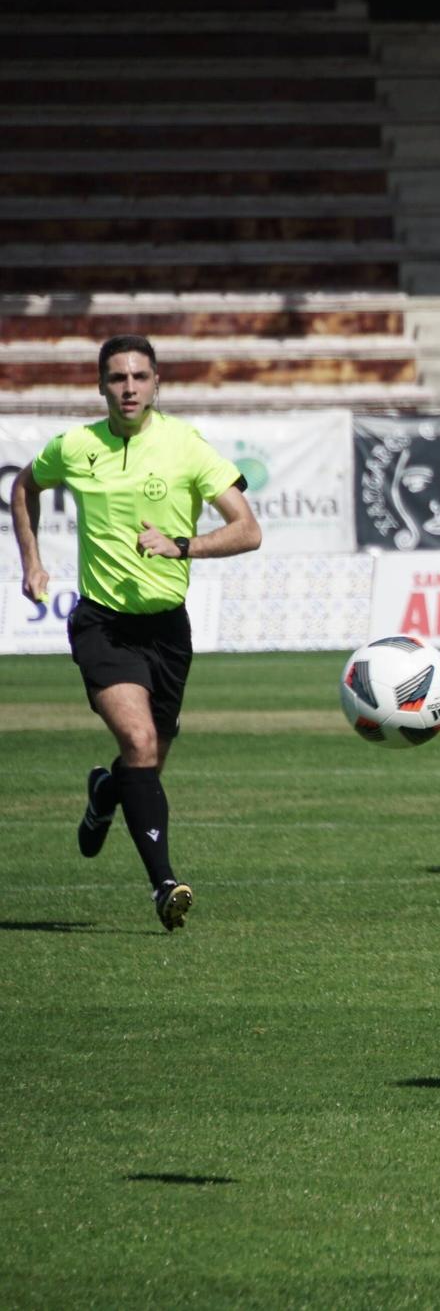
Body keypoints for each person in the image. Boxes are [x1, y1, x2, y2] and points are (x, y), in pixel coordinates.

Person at [10, 335, 263, 930]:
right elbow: (24, 486)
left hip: (168, 631)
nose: (129, 388)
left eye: (139, 377)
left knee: (144, 763)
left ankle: (105, 793)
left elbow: (248, 530)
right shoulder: (75, 446)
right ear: (100, 386)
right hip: (103, 625)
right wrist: (31, 560)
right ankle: (164, 886)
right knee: (142, 744)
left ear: (157, 384)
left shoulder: (186, 446)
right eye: (117, 378)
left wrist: (182, 546)